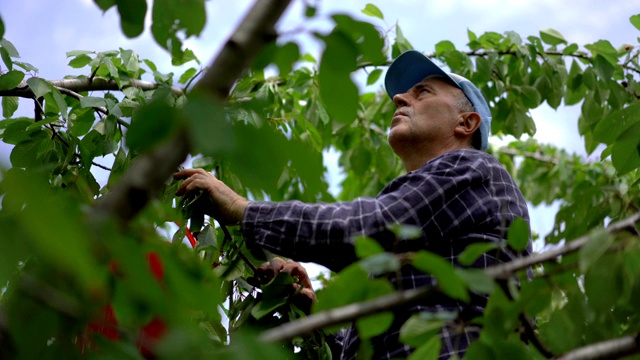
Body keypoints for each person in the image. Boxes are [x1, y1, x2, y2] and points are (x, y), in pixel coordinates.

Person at [174, 50, 530, 359]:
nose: (400, 99)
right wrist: (318, 311)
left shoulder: (473, 169)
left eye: (422, 92)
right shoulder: (426, 230)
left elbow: (364, 229)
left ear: (466, 123)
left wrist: (242, 209)